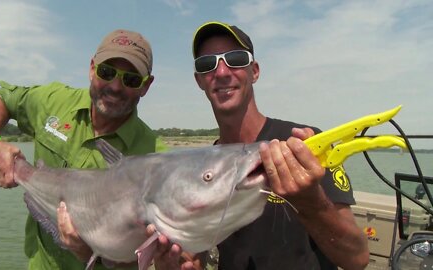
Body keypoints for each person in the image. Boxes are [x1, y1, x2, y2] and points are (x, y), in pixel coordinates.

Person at [154, 21, 370, 270]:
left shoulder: (302, 145)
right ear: (200, 80)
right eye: (207, 64)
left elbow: (357, 258)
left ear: (254, 71)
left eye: (235, 59)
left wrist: (310, 201)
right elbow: (194, 257)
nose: (222, 72)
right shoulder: (203, 171)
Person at [0, 29, 166, 270]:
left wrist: (89, 252)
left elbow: (138, 259)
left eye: (130, 79)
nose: (115, 86)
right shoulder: (54, 101)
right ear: (91, 68)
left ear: (146, 85)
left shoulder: (156, 160)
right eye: (107, 72)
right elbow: (0, 98)